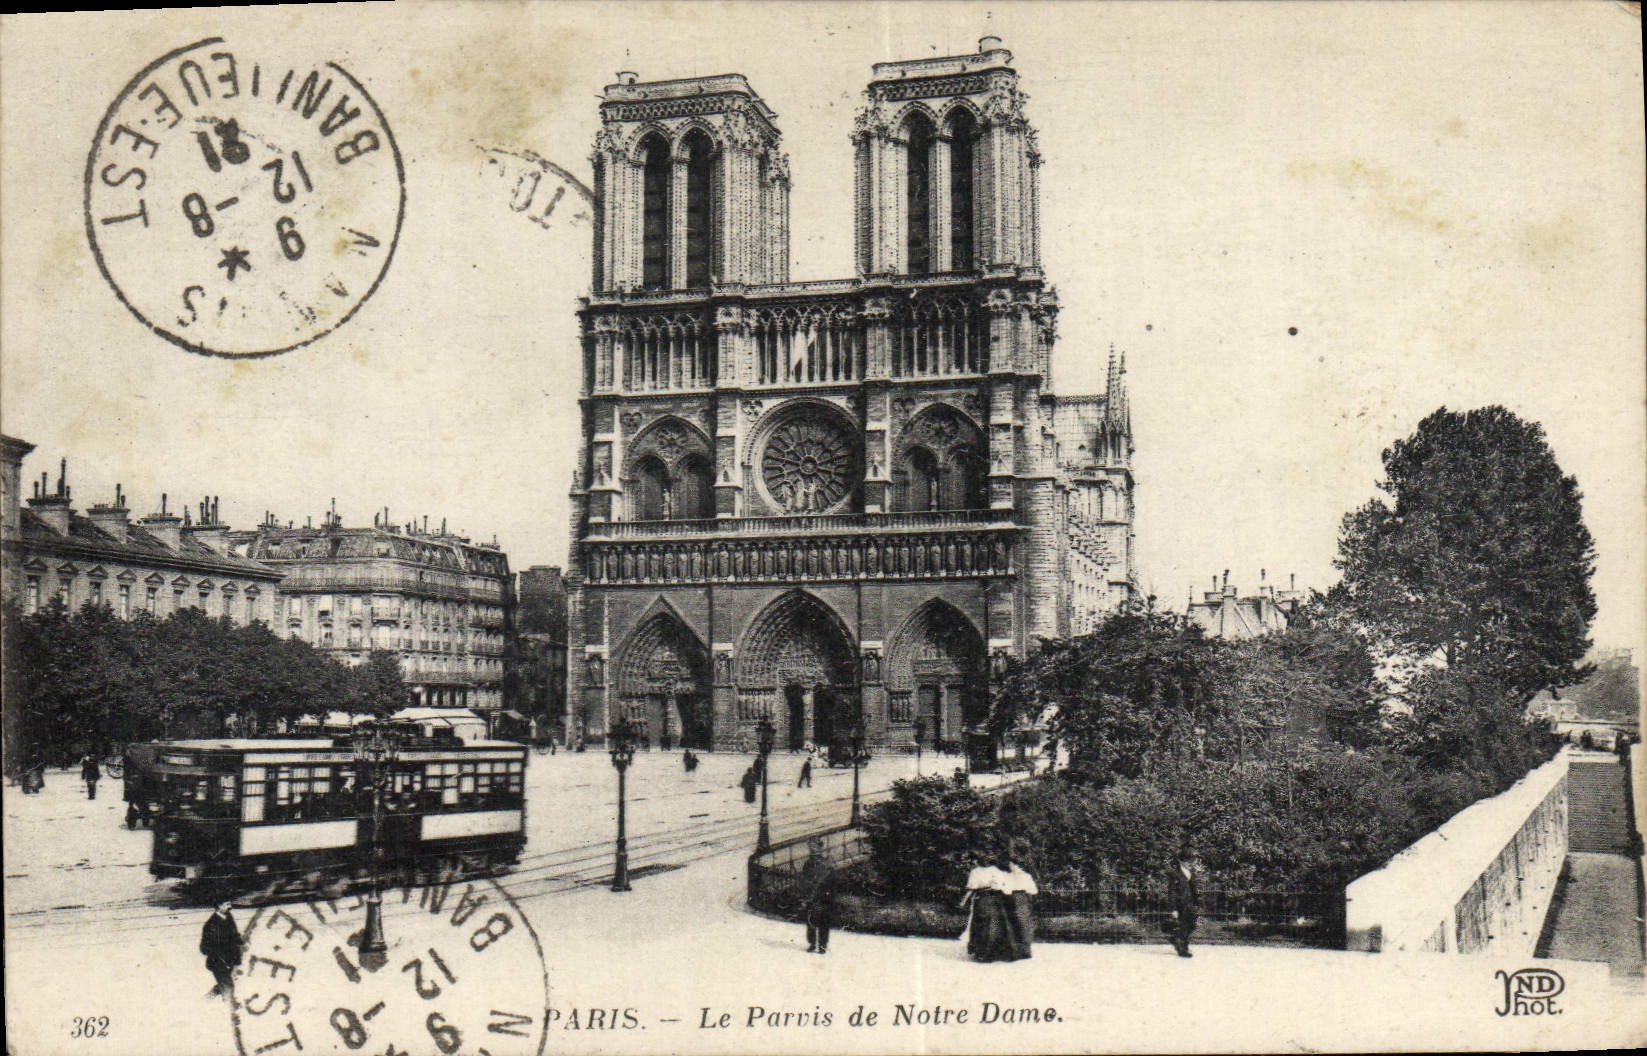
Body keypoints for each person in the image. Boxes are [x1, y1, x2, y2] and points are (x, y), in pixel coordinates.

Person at [962, 855, 1016, 962]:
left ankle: (983, 952)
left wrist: (963, 901)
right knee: (992, 923)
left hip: (985, 899)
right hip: (993, 899)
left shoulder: (977, 872)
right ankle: (991, 952)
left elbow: (971, 888)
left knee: (985, 923)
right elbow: (1005, 887)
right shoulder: (994, 871)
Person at [998, 841, 1038, 960]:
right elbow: (1033, 891)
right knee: (1021, 924)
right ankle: (1021, 951)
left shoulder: (1017, 876)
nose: (1011, 867)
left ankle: (1019, 951)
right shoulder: (1021, 876)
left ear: (1017, 865)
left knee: (1017, 925)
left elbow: (1005, 890)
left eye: (1012, 865)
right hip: (1019, 899)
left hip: (1016, 899)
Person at [799, 836, 837, 954]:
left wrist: (829, 895)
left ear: (819, 849)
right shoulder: (808, 864)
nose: (812, 850)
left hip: (824, 896)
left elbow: (832, 881)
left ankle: (822, 945)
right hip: (812, 895)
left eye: (814, 847)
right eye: (811, 848)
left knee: (823, 921)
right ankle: (812, 943)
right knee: (811, 920)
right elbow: (804, 880)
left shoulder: (826, 863)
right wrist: (804, 895)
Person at [200, 900, 243, 997]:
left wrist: (238, 941)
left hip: (230, 960)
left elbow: (234, 934)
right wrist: (219, 954)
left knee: (224, 985)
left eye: (230, 904)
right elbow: (204, 948)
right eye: (227, 904)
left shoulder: (228, 917)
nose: (230, 907)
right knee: (228, 987)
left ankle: (207, 999)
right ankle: (227, 1007)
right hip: (218, 962)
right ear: (219, 906)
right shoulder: (211, 925)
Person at [1166, 846, 1199, 957]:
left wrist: (1197, 901)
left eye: (1192, 860)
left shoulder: (1191, 872)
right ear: (1181, 861)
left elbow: (1194, 889)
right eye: (1187, 860)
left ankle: (1176, 938)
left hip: (1190, 904)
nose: (1191, 863)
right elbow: (1171, 892)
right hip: (1180, 904)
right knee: (1183, 926)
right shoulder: (1175, 874)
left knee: (1192, 925)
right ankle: (1183, 949)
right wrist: (1173, 908)